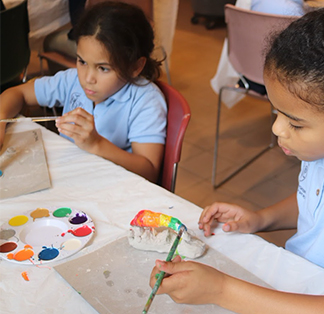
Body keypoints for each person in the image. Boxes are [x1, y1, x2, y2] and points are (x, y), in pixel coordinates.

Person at [149, 8, 324, 313]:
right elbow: (311, 203)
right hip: (297, 279)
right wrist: (260, 219)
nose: (276, 128)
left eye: (295, 124)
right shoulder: (315, 155)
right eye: (276, 112)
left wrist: (222, 290)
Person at [0, 2, 167, 183]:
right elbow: (18, 94)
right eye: (82, 61)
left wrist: (96, 144)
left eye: (103, 68)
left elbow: (149, 171)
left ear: (135, 66)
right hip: (73, 180)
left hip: (114, 191)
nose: (88, 78)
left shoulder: (146, 101)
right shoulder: (71, 80)